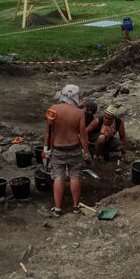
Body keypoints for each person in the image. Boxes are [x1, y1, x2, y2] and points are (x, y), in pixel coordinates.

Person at [43, 84, 90, 217]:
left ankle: (57, 209)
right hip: (74, 148)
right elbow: (83, 135)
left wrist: (46, 150)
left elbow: (48, 132)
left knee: (58, 177)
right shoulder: (79, 112)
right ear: (75, 96)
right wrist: (86, 153)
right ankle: (75, 207)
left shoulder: (53, 109)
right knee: (75, 176)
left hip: (57, 149)